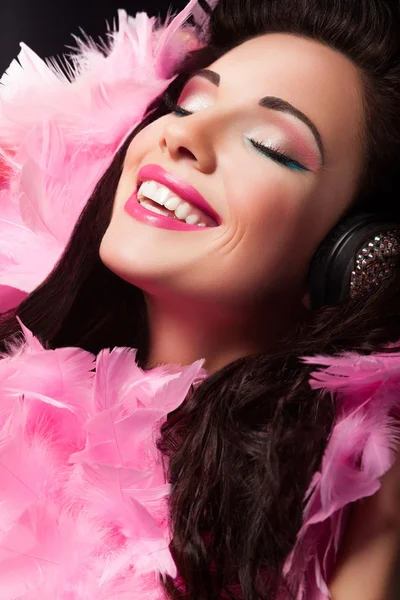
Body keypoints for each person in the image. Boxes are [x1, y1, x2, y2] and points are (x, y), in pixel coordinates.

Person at [0, 0, 400, 598]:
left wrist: (378, 527)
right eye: (187, 104)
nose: (184, 135)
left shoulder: (346, 508)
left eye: (268, 144)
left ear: (350, 254)